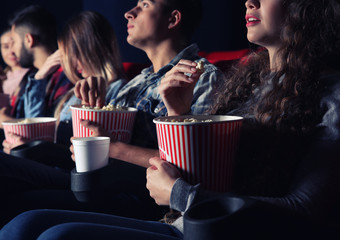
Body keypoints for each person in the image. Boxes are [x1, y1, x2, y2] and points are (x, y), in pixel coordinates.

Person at [1, 0, 340, 239]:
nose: (250, 1)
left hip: (210, 228)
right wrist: (178, 114)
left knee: (52, 233)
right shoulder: (248, 81)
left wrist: (180, 193)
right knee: (24, 224)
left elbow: (305, 210)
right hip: (180, 216)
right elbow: (204, 168)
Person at [0, 0, 222, 227]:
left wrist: (109, 146)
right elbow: (96, 140)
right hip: (101, 183)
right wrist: (92, 111)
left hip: (142, 199)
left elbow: (197, 163)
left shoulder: (200, 77)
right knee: (15, 205)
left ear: (173, 19)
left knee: (23, 215)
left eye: (144, 5)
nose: (128, 13)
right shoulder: (135, 83)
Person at [2, 10, 127, 151]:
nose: (71, 63)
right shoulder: (74, 91)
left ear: (89, 51)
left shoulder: (117, 89)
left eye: (73, 53)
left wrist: (29, 150)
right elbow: (36, 127)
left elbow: (88, 149)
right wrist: (39, 78)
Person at [0, 5, 73, 124]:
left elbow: (43, 130)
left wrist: (6, 122)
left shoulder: (68, 76)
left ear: (29, 40)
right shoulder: (32, 78)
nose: (12, 49)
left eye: (14, 41)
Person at [0, 28, 30, 106]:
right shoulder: (3, 78)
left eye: (14, 45)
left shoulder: (34, 77)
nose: (11, 52)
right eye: (6, 47)